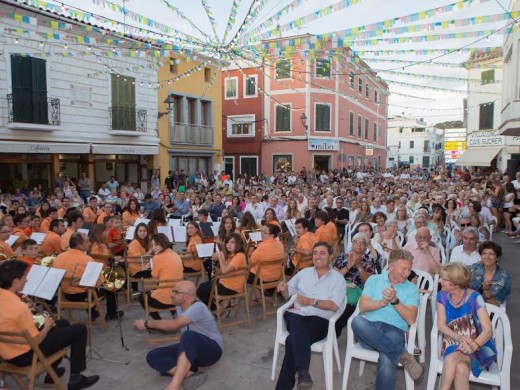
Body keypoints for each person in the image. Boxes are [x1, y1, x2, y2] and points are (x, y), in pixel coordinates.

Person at [0, 260, 99, 390]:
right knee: (79, 329)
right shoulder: (19, 307)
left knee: (62, 324)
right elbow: (36, 341)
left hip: (6, 352)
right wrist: (46, 325)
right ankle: (76, 379)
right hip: (26, 355)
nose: (26, 280)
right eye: (24, 277)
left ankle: (51, 374)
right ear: (15, 280)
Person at [275, 242, 346, 389]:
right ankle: (303, 373)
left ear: (331, 256)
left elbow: (334, 305)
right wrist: (283, 289)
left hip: (319, 322)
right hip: (296, 315)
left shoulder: (338, 279)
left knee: (292, 340)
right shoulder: (304, 273)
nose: (317, 256)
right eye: (315, 253)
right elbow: (288, 293)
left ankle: (298, 376)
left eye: (322, 253)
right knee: (295, 320)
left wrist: (311, 302)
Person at [350, 249, 423, 389]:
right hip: (369, 330)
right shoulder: (374, 280)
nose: (407, 273)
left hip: (394, 331)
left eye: (409, 269)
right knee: (357, 321)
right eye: (403, 269)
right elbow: (363, 306)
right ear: (391, 266)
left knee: (387, 358)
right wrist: (381, 303)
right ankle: (402, 355)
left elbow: (411, 319)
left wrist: (395, 300)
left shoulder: (412, 289)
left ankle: (397, 354)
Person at [134, 280, 223, 390]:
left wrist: (146, 324)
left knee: (188, 336)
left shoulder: (198, 307)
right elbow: (172, 326)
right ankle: (190, 375)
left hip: (212, 351)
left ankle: (174, 386)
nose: (171, 294)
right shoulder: (179, 306)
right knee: (153, 355)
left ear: (186, 296)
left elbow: (174, 325)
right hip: (192, 350)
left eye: (175, 292)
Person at [437, 262, 497, 390]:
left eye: (444, 279)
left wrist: (473, 345)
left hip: (478, 344)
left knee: (456, 363)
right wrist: (459, 338)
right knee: (461, 369)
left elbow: (488, 330)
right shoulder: (441, 295)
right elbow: (441, 326)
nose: (440, 280)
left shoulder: (475, 298)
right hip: (452, 339)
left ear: (456, 283)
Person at [54, 232, 123, 322]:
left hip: (66, 294)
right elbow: (100, 282)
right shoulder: (86, 259)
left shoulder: (58, 258)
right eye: (87, 242)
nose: (90, 243)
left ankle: (93, 313)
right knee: (111, 284)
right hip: (85, 295)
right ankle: (112, 313)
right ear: (79, 245)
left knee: (87, 283)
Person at [333, 232, 380, 336]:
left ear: (365, 246)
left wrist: (358, 265)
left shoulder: (368, 261)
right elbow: (335, 277)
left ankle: (335, 331)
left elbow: (367, 282)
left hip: (356, 289)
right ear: (352, 243)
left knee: (346, 307)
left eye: (362, 243)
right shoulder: (342, 257)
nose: (359, 244)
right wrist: (349, 266)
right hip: (340, 285)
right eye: (357, 242)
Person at [197, 233, 247, 313]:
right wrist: (216, 261)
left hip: (231, 287)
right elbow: (221, 271)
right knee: (202, 286)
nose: (228, 245)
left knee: (201, 291)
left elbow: (224, 271)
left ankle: (217, 309)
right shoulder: (232, 254)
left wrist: (220, 258)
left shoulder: (239, 256)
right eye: (227, 242)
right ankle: (222, 303)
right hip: (226, 282)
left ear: (238, 244)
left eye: (232, 242)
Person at [139, 233, 183, 319]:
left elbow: (154, 280)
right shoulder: (175, 255)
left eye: (156, 245)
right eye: (152, 245)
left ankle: (158, 320)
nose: (154, 248)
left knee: (142, 296)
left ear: (163, 244)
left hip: (165, 301)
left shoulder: (157, 257)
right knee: (167, 286)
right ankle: (175, 313)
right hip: (178, 297)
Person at [469, 241, 511, 306]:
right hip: (468, 306)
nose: (487, 257)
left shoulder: (505, 279)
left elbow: (495, 305)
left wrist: (487, 290)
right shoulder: (474, 269)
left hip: (488, 311)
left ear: (497, 257)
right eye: (484, 253)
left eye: (491, 254)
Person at [248, 223, 285, 288]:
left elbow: (250, 263)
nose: (261, 234)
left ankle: (258, 296)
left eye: (264, 232)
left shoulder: (262, 247)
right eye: (261, 231)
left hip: (262, 278)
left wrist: (249, 254)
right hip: (276, 276)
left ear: (272, 235)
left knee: (245, 272)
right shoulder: (280, 244)